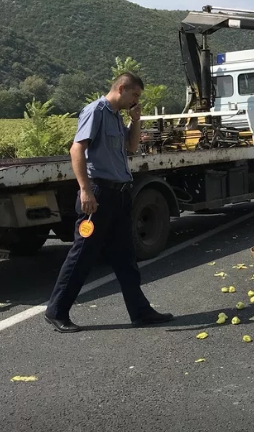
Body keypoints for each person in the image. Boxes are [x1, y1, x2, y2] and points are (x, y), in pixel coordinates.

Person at [45, 72, 175, 333]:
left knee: (125, 257)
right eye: (135, 95)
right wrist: (85, 191)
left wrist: (136, 121)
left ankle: (140, 312)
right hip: (98, 194)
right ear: (122, 88)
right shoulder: (96, 111)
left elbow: (132, 147)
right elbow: (76, 149)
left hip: (120, 194)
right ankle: (56, 311)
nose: (136, 100)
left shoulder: (117, 116)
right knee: (83, 254)